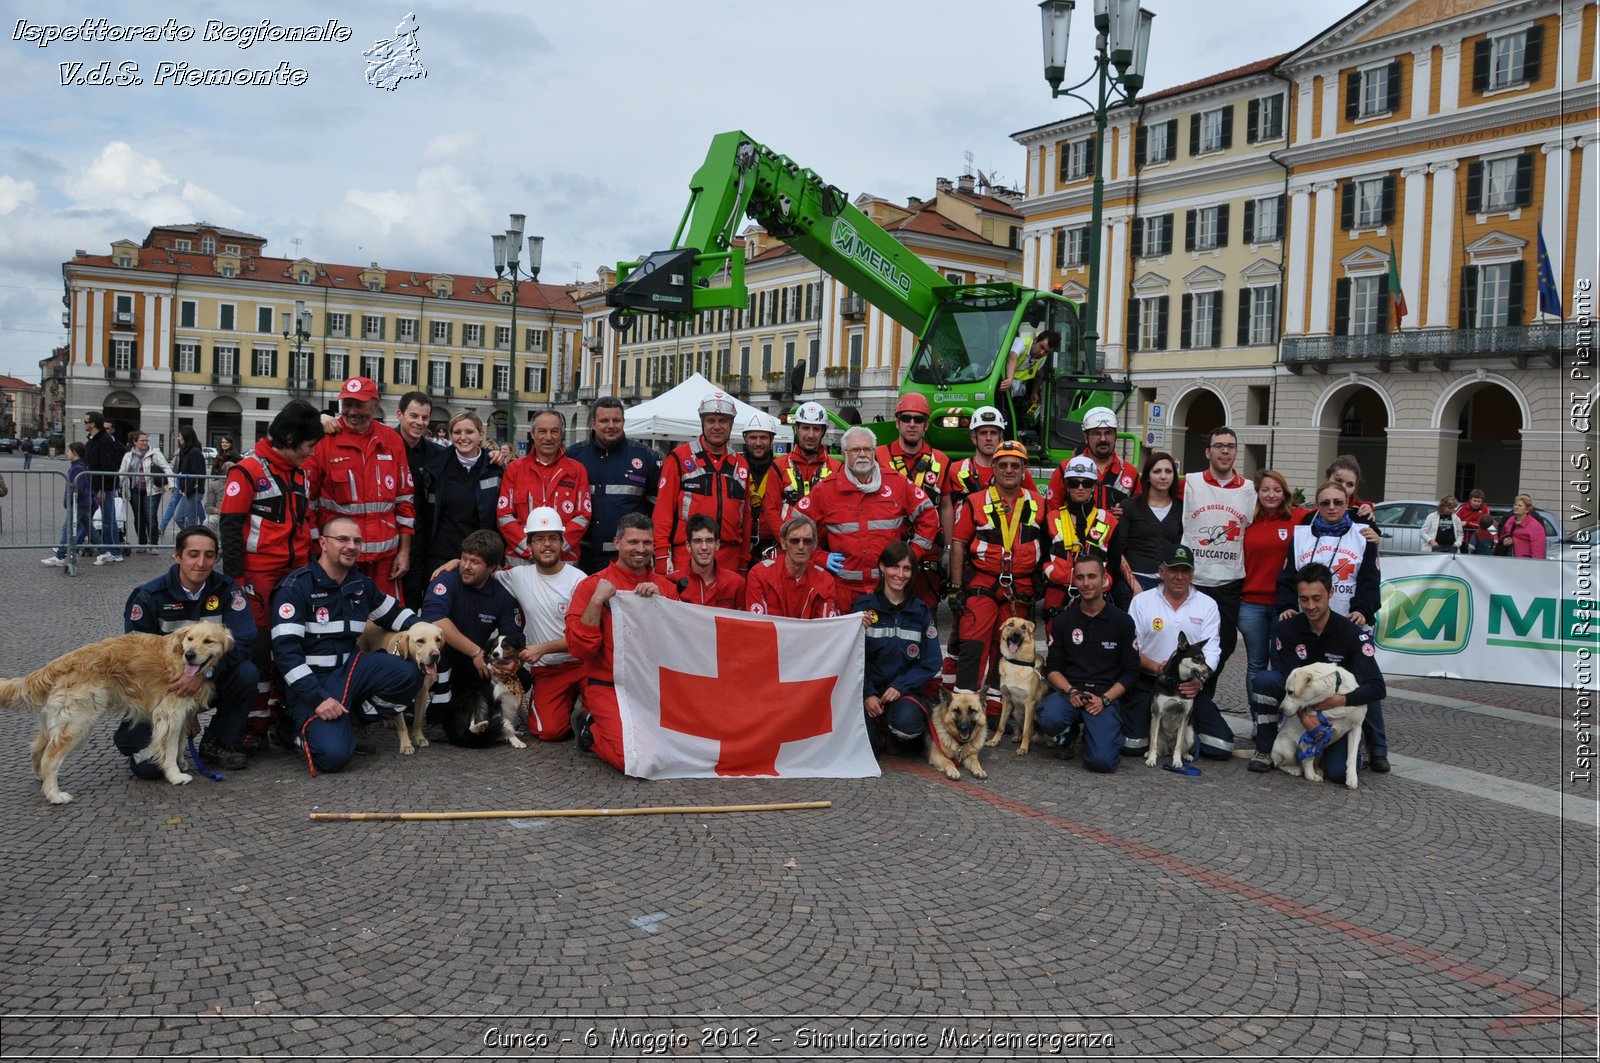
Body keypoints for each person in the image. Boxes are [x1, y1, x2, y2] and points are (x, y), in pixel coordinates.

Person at [270, 515, 424, 774]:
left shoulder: (360, 584)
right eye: (342, 539)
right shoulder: (295, 587)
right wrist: (318, 699)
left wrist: (431, 631)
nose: (351, 546)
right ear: (323, 543)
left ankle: (350, 717)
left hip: (350, 669)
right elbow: (286, 656)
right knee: (334, 757)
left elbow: (395, 616)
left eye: (357, 541)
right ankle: (296, 727)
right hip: (312, 681)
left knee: (409, 674)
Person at [220, 400, 324, 752]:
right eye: (309, 447)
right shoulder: (247, 471)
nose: (311, 455)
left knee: (292, 647)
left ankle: (284, 717)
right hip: (258, 577)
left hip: (294, 576)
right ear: (291, 438)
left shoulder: (299, 473)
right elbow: (231, 528)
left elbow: (305, 523)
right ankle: (252, 724)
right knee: (259, 653)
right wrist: (236, 582)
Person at [119, 525, 259, 772]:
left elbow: (245, 641)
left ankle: (220, 741)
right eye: (193, 554)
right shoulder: (149, 596)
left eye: (209, 555)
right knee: (150, 769)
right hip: (163, 690)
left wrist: (205, 674)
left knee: (246, 673)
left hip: (212, 680)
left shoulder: (228, 591)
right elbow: (136, 656)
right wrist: (185, 711)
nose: (201, 563)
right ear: (177, 556)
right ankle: (137, 741)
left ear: (216, 558)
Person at [1274, 479, 1388, 773]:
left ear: (1348, 502)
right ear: (1317, 505)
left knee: (1362, 683)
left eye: (1338, 502)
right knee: (1303, 683)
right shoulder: (1301, 536)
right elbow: (1288, 577)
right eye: (1325, 503)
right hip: (1309, 623)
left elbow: (1369, 581)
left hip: (1347, 623)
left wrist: (1363, 609)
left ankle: (1377, 749)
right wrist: (1287, 606)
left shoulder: (1364, 535)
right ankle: (1285, 736)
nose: (1332, 508)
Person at [1248, 562, 1386, 783]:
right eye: (1304, 599)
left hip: (1337, 712)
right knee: (1265, 680)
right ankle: (1265, 749)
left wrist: (1340, 699)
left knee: (1337, 773)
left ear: (1331, 593)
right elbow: (1287, 680)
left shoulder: (1352, 633)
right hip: (1307, 707)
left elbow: (1377, 688)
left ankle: (1361, 750)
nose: (1310, 606)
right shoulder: (1287, 629)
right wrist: (1305, 718)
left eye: (1317, 598)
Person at [564, 512, 680, 770]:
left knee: (679, 748)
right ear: (617, 543)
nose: (641, 549)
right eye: (633, 542)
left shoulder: (666, 588)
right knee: (634, 759)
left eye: (647, 543)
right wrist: (596, 602)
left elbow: (680, 646)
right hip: (608, 686)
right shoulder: (590, 587)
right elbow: (580, 649)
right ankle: (590, 728)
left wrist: (664, 605)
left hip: (653, 686)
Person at [797, 425, 939, 612]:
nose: (862, 454)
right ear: (844, 453)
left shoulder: (896, 482)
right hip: (844, 591)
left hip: (889, 589)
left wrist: (912, 554)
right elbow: (794, 526)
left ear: (874, 451)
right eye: (855, 449)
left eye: (867, 449)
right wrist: (818, 557)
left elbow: (929, 516)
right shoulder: (826, 489)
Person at [949, 439, 1047, 708]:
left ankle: (995, 707)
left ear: (1024, 469)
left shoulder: (1039, 503)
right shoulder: (973, 502)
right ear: (994, 467)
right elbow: (958, 543)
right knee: (973, 646)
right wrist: (956, 587)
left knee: (1009, 649)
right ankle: (963, 706)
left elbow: (1049, 545)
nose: (1009, 470)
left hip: (1021, 588)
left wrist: (1042, 577)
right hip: (982, 583)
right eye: (1002, 464)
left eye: (1015, 465)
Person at [303, 377, 416, 600]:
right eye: (347, 404)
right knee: (338, 621)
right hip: (338, 557)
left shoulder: (392, 440)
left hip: (384, 560)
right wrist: (318, 549)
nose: (352, 412)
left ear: (375, 405)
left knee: (387, 624)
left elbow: (404, 501)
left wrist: (404, 552)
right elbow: (308, 503)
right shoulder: (324, 441)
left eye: (359, 404)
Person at [1123, 544, 1234, 762]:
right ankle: (1144, 724)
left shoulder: (1208, 605)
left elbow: (1212, 649)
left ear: (1193, 573)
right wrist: (1157, 667)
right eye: (1173, 570)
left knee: (1221, 747)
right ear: (1161, 571)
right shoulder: (1141, 602)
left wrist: (1199, 681)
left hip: (1188, 687)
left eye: (1186, 570)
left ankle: (1186, 735)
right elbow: (1132, 648)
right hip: (1151, 683)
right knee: (1131, 746)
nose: (1180, 576)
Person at [419, 529, 526, 747]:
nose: (466, 566)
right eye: (464, 558)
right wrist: (476, 652)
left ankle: (500, 720)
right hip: (443, 655)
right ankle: (436, 719)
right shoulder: (447, 579)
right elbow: (435, 620)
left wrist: (506, 663)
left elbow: (513, 637)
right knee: (440, 653)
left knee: (522, 675)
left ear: (492, 568)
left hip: (474, 662)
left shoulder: (502, 595)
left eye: (475, 562)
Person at [1034, 555, 1140, 772]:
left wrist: (1104, 699)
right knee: (1048, 716)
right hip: (1070, 693)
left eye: (1092, 576)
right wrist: (1071, 691)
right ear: (1074, 581)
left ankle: (1100, 735)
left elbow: (1131, 672)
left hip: (1104, 697)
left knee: (1101, 762)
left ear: (1104, 579)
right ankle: (1069, 732)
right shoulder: (1063, 621)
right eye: (1080, 577)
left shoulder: (1122, 621)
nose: (1086, 583)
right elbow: (1052, 669)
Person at [495, 507, 586, 741]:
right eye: (539, 539)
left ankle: (582, 703)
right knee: (548, 732)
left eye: (553, 538)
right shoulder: (517, 576)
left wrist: (542, 648)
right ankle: (565, 707)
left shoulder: (579, 580)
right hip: (547, 671)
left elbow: (585, 638)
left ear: (562, 542)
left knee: (603, 714)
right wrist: (455, 563)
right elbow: (482, 571)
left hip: (583, 665)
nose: (547, 544)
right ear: (529, 546)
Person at [1180, 425, 1255, 698]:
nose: (1225, 451)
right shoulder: (1189, 483)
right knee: (1186, 642)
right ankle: (1184, 693)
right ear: (1208, 452)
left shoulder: (1249, 490)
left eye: (1230, 446)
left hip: (1228, 582)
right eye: (1219, 446)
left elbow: (1282, 512)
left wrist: (1360, 509)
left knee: (1225, 643)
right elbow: (1156, 495)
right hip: (1193, 580)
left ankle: (1203, 693)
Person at [854, 540, 941, 754]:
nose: (900, 574)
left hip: (903, 692)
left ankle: (893, 729)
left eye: (907, 568)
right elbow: (852, 659)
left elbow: (932, 662)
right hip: (869, 692)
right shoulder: (862, 609)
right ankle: (879, 730)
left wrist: (900, 686)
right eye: (894, 566)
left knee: (908, 726)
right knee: (867, 747)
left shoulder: (920, 611)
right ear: (882, 567)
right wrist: (867, 694)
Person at [653, 391, 753, 575]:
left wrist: (743, 560)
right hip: (687, 554)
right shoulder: (679, 458)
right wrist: (661, 555)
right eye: (710, 421)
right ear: (702, 423)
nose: (716, 426)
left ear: (731, 425)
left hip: (729, 557)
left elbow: (745, 518)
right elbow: (663, 511)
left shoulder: (741, 464)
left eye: (722, 421)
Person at [569, 396, 659, 575]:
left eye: (616, 420)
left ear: (623, 422)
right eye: (604, 420)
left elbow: (657, 509)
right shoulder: (574, 456)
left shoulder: (645, 457)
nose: (611, 425)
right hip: (581, 556)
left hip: (626, 558)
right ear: (593, 423)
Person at [877, 393, 950, 606]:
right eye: (906, 418)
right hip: (888, 548)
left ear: (926, 425)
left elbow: (946, 507)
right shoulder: (878, 456)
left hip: (928, 553)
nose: (912, 424)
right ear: (897, 422)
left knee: (926, 617)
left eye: (918, 419)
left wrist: (947, 551)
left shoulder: (941, 460)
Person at [497, 408, 591, 567]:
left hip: (564, 562)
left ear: (561, 434)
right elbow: (504, 515)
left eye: (554, 431)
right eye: (542, 431)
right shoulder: (514, 469)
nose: (548, 437)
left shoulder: (577, 470)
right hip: (521, 562)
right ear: (532, 434)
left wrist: (557, 549)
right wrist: (529, 549)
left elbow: (583, 516)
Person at [1240, 470, 1296, 725]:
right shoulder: (1246, 522)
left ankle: (1281, 722)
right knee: (1256, 665)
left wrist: (1366, 520)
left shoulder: (1300, 518)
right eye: (1265, 489)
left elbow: (1334, 515)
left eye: (1276, 489)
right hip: (1251, 603)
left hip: (1285, 605)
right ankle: (1259, 721)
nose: (1271, 494)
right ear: (1257, 493)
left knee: (1282, 664)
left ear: (1284, 493)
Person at [1040, 454, 1126, 618]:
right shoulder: (1052, 518)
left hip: (1095, 595)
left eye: (1086, 483)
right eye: (1074, 483)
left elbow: (1114, 562)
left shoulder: (1108, 521)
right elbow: (1042, 555)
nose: (1080, 487)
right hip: (1057, 593)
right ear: (1066, 485)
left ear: (1094, 486)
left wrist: (1102, 581)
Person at [419, 412, 501, 578]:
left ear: (481, 434)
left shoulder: (495, 468)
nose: (463, 437)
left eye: (469, 432)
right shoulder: (436, 467)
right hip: (442, 554)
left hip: (481, 556)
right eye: (457, 432)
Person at [762, 400, 841, 542]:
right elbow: (771, 509)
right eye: (805, 428)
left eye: (816, 429)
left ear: (823, 432)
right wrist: (784, 540)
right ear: (797, 429)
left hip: (822, 545)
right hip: (787, 543)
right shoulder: (779, 466)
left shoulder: (836, 468)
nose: (811, 435)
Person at [1046, 406, 1141, 519]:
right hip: (1075, 535)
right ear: (1086, 437)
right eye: (1096, 433)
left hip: (1116, 536)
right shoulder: (1066, 468)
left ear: (1115, 437)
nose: (1103, 439)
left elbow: (1140, 514)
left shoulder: (1130, 472)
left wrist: (1128, 512)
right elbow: (1051, 513)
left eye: (1108, 433)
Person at [393, 390, 441, 609]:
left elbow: (469, 456)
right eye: (414, 416)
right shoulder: (383, 446)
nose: (420, 422)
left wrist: (493, 456)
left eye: (425, 417)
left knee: (415, 604)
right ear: (399, 415)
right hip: (391, 541)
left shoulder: (438, 454)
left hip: (424, 542)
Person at [745, 514, 841, 619]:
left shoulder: (825, 580)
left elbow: (828, 627)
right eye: (794, 541)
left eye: (807, 541)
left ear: (814, 545)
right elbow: (758, 624)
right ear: (783, 543)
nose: (801, 546)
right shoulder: (759, 575)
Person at [939, 405, 1005, 549]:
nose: (988, 438)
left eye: (993, 433)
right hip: (962, 546)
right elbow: (945, 509)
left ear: (1001, 438)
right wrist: (948, 547)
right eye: (983, 433)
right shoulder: (955, 471)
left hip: (998, 547)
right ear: (974, 438)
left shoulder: (1012, 472)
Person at [1118, 451, 1182, 594]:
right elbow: (1117, 549)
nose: (1163, 476)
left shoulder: (1181, 508)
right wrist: (1134, 584)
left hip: (1168, 584)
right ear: (1147, 476)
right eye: (1157, 471)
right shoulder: (1129, 506)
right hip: (1135, 582)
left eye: (1168, 471)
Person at [118, 430, 175, 553]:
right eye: (142, 440)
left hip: (152, 490)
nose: (145, 442)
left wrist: (171, 482)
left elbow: (166, 467)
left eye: (146, 440)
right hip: (134, 490)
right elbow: (122, 472)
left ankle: (154, 544)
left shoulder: (155, 453)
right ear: (134, 442)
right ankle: (142, 543)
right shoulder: (128, 455)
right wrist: (116, 485)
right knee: (139, 517)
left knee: (151, 517)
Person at [40, 441, 95, 566]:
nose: (67, 453)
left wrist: (69, 500)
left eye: (69, 451)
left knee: (67, 528)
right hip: (84, 502)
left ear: (75, 453)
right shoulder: (80, 466)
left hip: (79, 503)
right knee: (89, 528)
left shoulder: (77, 467)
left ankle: (59, 556)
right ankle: (105, 551)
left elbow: (77, 489)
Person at [740, 412, 783, 568]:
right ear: (745, 439)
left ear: (772, 440)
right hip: (740, 544)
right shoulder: (736, 467)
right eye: (753, 437)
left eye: (763, 438)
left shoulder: (781, 469)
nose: (758, 443)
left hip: (772, 544)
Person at [678, 513, 747, 609]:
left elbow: (743, 622)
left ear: (717, 545)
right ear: (688, 546)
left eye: (709, 541)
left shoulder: (736, 584)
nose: (704, 547)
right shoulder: (672, 582)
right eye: (697, 541)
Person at [84, 412, 126, 565]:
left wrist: (103, 488)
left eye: (85, 421)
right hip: (95, 484)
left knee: (108, 520)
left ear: (92, 424)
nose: (84, 423)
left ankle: (114, 551)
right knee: (85, 516)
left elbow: (108, 467)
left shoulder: (105, 440)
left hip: (103, 486)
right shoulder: (94, 439)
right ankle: (66, 546)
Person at [998, 328, 1059, 424]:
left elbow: (1039, 375)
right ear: (1035, 340)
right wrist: (1009, 378)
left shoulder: (1043, 358)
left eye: (1046, 351)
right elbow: (1012, 358)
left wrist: (1034, 392)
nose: (1042, 353)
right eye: (1041, 347)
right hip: (1002, 384)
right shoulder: (1021, 343)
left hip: (1019, 391)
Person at [1498, 494, 1546, 558]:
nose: (1516, 507)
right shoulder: (1510, 520)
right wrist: (1505, 540)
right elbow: (1503, 534)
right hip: (1507, 557)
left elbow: (1537, 551)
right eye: (1515, 505)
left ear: (1527, 510)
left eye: (1520, 506)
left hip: (1524, 561)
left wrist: (1535, 564)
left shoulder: (1535, 526)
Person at [1457, 489, 1494, 555]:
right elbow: (1456, 522)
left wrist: (1467, 523)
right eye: (1474, 501)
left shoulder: (1485, 508)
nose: (1476, 503)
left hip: (1479, 541)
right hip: (1463, 541)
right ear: (1470, 500)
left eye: (1479, 501)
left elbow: (1485, 524)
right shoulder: (1463, 508)